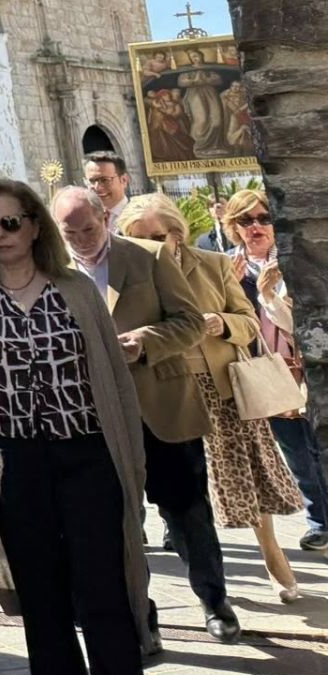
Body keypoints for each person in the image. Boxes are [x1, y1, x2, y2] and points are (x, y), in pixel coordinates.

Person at [0, 180, 149, 675]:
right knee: (42, 597)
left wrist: (131, 465)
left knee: (103, 588)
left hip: (87, 455)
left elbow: (116, 384)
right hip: (15, 462)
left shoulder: (75, 289)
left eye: (11, 222)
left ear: (34, 226)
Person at [53, 185, 237, 642]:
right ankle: (141, 620)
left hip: (162, 409)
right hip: (95, 417)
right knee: (119, 524)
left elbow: (192, 322)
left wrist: (145, 342)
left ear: (106, 218)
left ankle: (215, 603)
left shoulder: (148, 256)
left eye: (89, 228)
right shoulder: (52, 272)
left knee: (187, 514)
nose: (81, 239)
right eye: (69, 232)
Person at [117, 195, 305, 602]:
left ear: (178, 234)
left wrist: (221, 323)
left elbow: (250, 323)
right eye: (139, 239)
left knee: (247, 478)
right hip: (167, 391)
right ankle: (213, 584)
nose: (151, 245)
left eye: (158, 236)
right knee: (190, 494)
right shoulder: (128, 276)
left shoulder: (212, 265)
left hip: (222, 388)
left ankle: (272, 553)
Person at [219, 187, 328, 552]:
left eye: (264, 218)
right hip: (264, 372)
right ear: (232, 226)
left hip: (307, 369)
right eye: (245, 220)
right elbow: (226, 324)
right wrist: (229, 291)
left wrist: (269, 297)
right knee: (296, 452)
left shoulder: (296, 260)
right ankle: (319, 521)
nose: (256, 227)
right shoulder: (224, 268)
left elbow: (303, 321)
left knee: (319, 446)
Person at [82, 151, 130, 220]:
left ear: (124, 180)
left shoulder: (141, 217)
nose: (97, 187)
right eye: (92, 181)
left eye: (104, 180)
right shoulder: (82, 220)